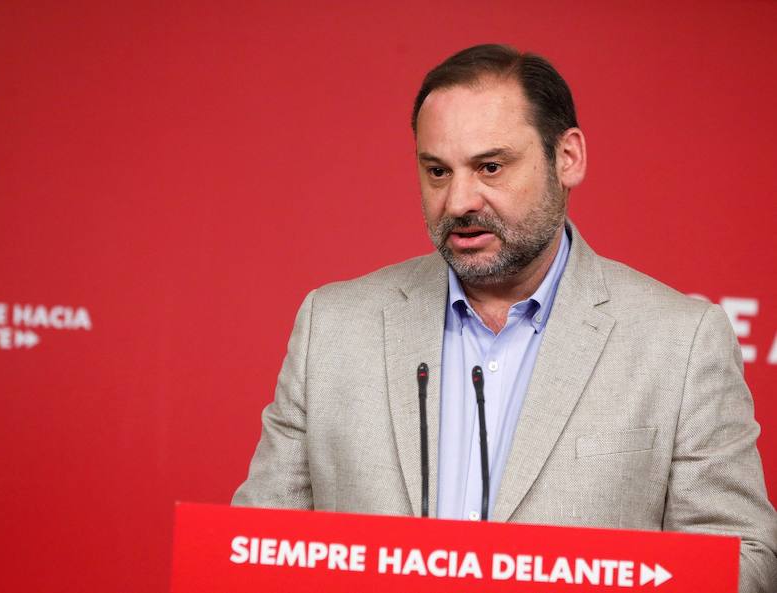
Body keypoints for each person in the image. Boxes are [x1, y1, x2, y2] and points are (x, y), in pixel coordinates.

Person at [232, 44, 777, 592]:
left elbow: (743, 559)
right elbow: (257, 551)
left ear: (568, 158)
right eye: (437, 171)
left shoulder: (681, 343)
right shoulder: (332, 327)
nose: (458, 201)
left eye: (490, 167)